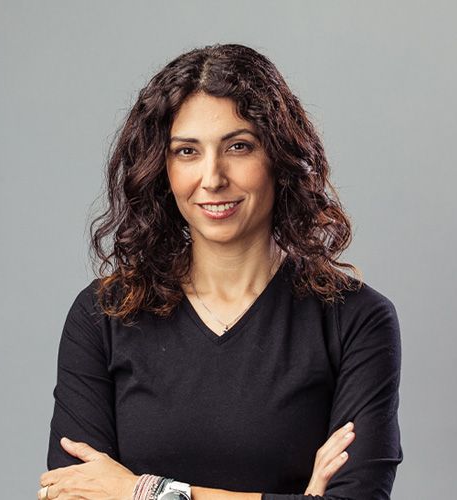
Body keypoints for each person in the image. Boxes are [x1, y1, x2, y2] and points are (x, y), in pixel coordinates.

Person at [38, 44, 402, 500]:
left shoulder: (356, 319)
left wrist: (142, 492)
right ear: (161, 169)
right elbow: (72, 492)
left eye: (238, 147)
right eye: (186, 151)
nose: (212, 178)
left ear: (279, 158)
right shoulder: (104, 315)